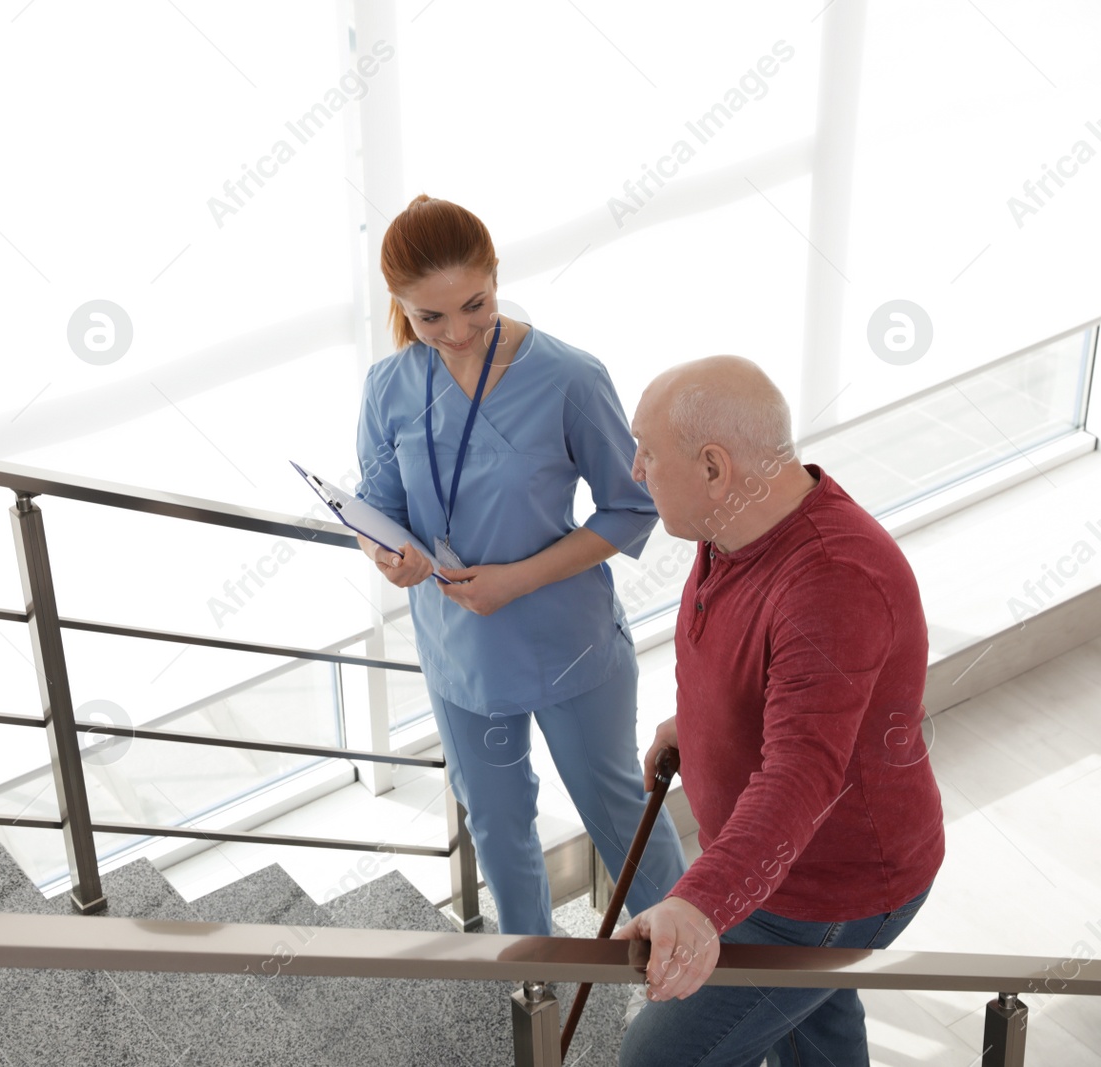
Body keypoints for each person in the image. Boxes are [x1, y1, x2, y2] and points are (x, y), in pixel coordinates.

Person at [352, 194, 686, 936]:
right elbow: (375, 507)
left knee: (620, 815)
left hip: (568, 643)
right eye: (430, 318)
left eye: (474, 305)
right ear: (401, 305)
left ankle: (692, 977)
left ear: (497, 275)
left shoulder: (569, 377)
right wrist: (387, 554)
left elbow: (631, 508)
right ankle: (533, 980)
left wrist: (517, 579)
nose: (458, 333)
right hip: (460, 654)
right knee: (498, 828)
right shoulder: (388, 388)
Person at [613, 355, 947, 1067]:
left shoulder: (833, 579)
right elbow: (752, 665)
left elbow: (800, 775)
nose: (634, 469)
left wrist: (698, 905)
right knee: (812, 1020)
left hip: (827, 885)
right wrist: (697, 726)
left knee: (658, 1058)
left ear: (713, 468)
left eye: (646, 449)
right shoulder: (731, 523)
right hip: (779, 861)